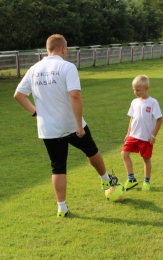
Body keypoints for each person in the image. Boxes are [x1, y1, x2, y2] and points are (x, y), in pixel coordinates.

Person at [13, 34, 118, 218]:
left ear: (48, 49)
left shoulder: (34, 69)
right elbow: (75, 96)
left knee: (58, 167)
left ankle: (62, 208)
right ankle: (105, 180)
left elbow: (18, 95)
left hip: (48, 129)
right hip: (70, 124)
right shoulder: (67, 67)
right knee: (91, 150)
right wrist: (79, 125)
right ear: (63, 49)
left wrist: (35, 112)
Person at [121, 75, 162, 191]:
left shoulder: (153, 102)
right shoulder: (134, 102)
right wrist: (128, 133)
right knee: (124, 154)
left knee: (146, 159)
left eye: (138, 90)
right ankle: (131, 179)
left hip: (146, 138)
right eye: (134, 89)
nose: (135, 92)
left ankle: (146, 182)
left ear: (146, 88)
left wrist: (153, 135)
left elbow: (159, 120)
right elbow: (132, 118)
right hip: (133, 135)